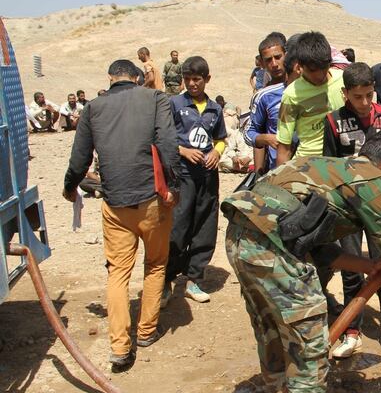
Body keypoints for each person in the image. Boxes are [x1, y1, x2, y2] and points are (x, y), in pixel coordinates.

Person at [222, 129, 381, 393]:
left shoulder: (326, 168)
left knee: (273, 331)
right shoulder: (370, 180)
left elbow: (312, 245)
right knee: (310, 342)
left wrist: (368, 267)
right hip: (272, 249)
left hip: (241, 240)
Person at [62, 59, 179, 369]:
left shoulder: (93, 108)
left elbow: (79, 158)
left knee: (117, 273)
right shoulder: (155, 98)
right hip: (152, 201)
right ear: (137, 78)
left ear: (110, 78)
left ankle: (120, 347)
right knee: (155, 265)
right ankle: (146, 332)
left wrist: (69, 188)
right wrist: (174, 186)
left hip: (115, 205)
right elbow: (167, 143)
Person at [321, 63, 381, 359]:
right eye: (357, 97)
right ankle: (352, 332)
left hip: (380, 205)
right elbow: (330, 166)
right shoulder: (333, 121)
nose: (364, 102)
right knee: (352, 269)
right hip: (347, 209)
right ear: (345, 93)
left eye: (369, 95)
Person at [164, 56, 227, 305]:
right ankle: (166, 281)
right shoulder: (174, 104)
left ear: (207, 79)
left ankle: (194, 279)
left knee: (205, 225)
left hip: (208, 176)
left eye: (197, 79)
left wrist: (216, 153)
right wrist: (183, 151)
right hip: (182, 175)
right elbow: (164, 138)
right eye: (188, 79)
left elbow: (220, 138)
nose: (192, 84)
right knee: (178, 226)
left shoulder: (215, 109)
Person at [275, 31, 346, 165]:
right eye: (313, 70)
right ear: (300, 66)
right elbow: (284, 148)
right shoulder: (291, 94)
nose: (320, 75)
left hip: (342, 163)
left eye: (323, 68)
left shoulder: (343, 80)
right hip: (308, 166)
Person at [245, 33, 289, 173]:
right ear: (262, 64)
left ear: (286, 56)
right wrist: (265, 139)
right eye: (268, 60)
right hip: (276, 171)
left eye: (278, 57)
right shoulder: (263, 96)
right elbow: (251, 131)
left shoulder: (305, 88)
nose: (274, 64)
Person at [219, 100, 252, 174]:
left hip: (251, 158)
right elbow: (230, 148)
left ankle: (241, 168)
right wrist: (234, 157)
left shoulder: (256, 133)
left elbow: (258, 150)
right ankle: (244, 168)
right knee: (222, 159)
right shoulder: (237, 133)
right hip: (239, 159)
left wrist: (249, 158)